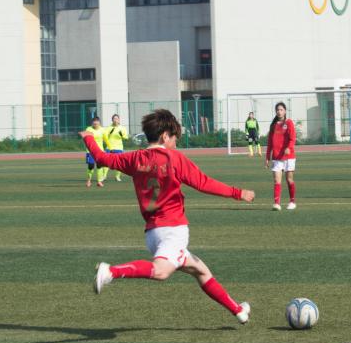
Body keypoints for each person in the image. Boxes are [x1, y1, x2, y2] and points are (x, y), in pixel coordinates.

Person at [85, 109, 256, 324]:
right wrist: (238, 193)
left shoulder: (134, 158)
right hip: (173, 230)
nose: (176, 143)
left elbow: (100, 157)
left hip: (153, 234)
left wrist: (89, 137)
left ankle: (238, 310)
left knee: (201, 271)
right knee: (161, 271)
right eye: (174, 138)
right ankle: (110, 271)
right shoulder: (173, 158)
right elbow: (203, 182)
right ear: (165, 136)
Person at [265, 101, 297, 210]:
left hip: (289, 157)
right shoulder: (273, 125)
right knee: (277, 181)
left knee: (289, 179)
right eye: (277, 110)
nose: (279, 112)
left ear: (285, 111)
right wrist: (267, 157)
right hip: (277, 157)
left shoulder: (289, 123)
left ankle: (292, 201)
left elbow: (293, 138)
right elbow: (269, 143)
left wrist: (289, 148)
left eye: (281, 110)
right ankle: (277, 204)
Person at [103, 114, 130, 182]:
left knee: (119, 163)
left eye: (117, 119)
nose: (115, 120)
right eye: (114, 119)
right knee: (106, 162)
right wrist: (109, 134)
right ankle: (104, 176)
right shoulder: (109, 128)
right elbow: (105, 137)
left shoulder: (122, 128)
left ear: (119, 120)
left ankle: (117, 177)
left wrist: (121, 135)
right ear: (112, 120)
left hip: (119, 147)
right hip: (109, 147)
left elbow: (126, 138)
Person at [83, 117, 107, 187]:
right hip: (90, 151)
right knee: (91, 166)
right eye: (94, 122)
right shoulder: (89, 129)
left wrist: (110, 147)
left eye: (97, 122)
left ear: (99, 123)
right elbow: (86, 138)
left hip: (100, 151)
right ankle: (88, 180)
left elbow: (106, 139)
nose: (95, 123)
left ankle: (99, 181)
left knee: (99, 166)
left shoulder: (103, 130)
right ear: (92, 123)